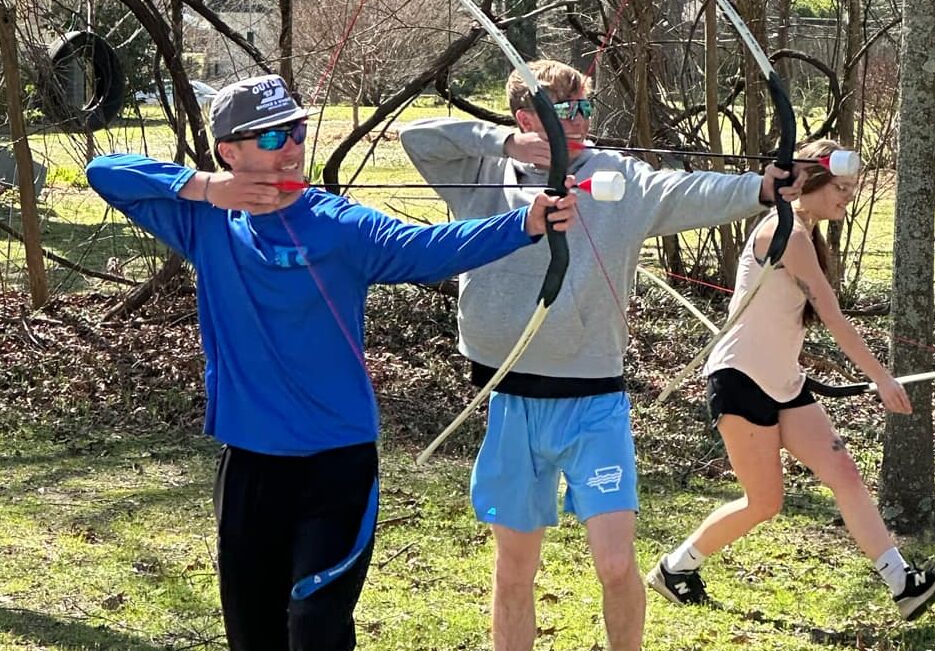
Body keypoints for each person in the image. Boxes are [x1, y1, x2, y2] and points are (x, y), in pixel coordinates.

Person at [85, 73, 578, 651]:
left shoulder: (341, 225)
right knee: (255, 634)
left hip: (336, 466)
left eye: (295, 131)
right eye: (269, 138)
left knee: (316, 625)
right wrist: (204, 187)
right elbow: (104, 174)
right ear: (230, 151)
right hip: (249, 465)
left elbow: (428, 250)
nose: (290, 147)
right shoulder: (204, 221)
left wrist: (526, 222)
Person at [399, 59, 800, 651]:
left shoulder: (618, 179)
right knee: (514, 571)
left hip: (593, 404)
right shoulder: (481, 172)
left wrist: (761, 189)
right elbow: (416, 137)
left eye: (586, 108)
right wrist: (506, 143)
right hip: (510, 398)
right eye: (565, 112)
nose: (581, 121)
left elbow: (686, 191)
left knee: (615, 564)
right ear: (526, 117)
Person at [645, 139, 935, 621]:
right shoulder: (785, 232)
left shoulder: (806, 233)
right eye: (840, 186)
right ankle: (674, 569)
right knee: (764, 501)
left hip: (785, 383)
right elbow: (832, 315)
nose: (848, 196)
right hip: (740, 380)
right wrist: (880, 378)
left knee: (845, 474)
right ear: (810, 181)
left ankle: (904, 585)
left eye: (853, 187)